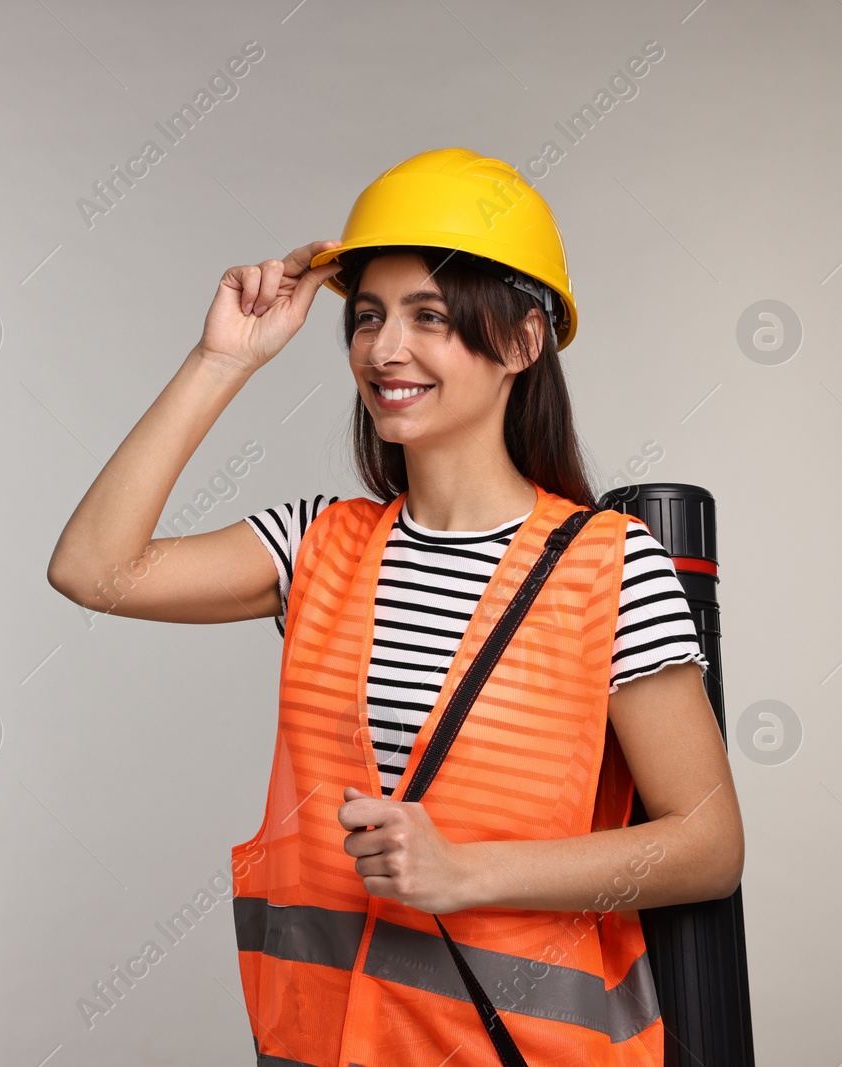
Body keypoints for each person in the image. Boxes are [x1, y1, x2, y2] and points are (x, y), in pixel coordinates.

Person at [47, 148, 744, 1066]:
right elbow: (94, 568)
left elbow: (706, 843)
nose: (384, 350)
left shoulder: (611, 570)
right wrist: (223, 359)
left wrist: (466, 872)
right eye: (368, 316)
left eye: (431, 318)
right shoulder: (315, 546)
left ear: (524, 341)